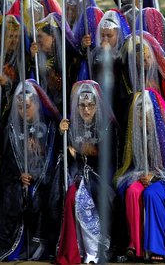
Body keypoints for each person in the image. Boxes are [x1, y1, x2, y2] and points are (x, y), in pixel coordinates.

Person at [0, 80, 61, 261]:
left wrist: (41, 151)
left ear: (37, 104)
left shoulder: (49, 126)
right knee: (14, 196)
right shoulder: (12, 128)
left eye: (28, 107)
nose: (24, 111)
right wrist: (19, 175)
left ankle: (37, 247)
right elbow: (6, 161)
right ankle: (15, 247)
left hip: (43, 180)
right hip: (18, 180)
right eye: (20, 108)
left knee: (38, 197)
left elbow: (54, 159)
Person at [55, 81, 119, 264]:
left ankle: (95, 252)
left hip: (99, 179)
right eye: (82, 105)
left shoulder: (106, 126)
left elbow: (105, 159)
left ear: (97, 105)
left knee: (84, 199)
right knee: (70, 197)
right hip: (76, 176)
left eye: (90, 105)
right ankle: (78, 249)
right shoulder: (72, 124)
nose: (86, 110)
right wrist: (62, 135)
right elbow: (63, 156)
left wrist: (82, 155)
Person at [114, 89, 165, 262]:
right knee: (132, 191)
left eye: (145, 112)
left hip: (163, 177)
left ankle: (157, 246)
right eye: (138, 112)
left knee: (152, 194)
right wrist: (140, 176)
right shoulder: (136, 136)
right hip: (141, 175)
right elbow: (133, 164)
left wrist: (154, 177)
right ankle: (135, 244)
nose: (141, 116)